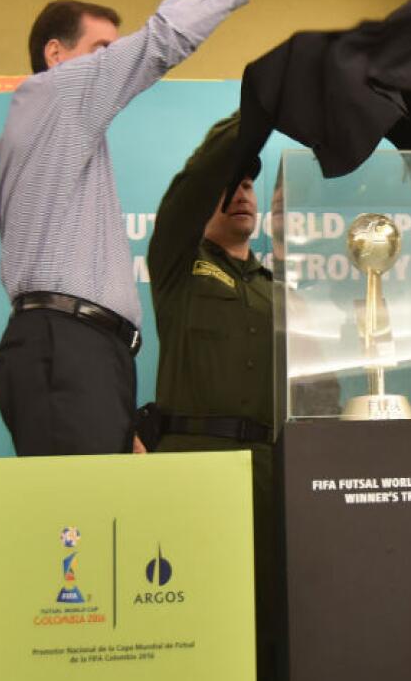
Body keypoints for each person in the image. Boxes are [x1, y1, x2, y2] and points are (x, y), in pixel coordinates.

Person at [0, 0, 311, 456]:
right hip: (66, 344)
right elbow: (163, 38)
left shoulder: (61, 139)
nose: (115, 63)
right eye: (102, 51)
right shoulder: (54, 96)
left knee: (99, 522)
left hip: (90, 353)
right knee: (78, 521)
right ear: (56, 55)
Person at [144, 114, 281, 679]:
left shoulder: (276, 289)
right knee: (195, 628)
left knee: (270, 628)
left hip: (271, 474)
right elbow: (196, 179)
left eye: (249, 184)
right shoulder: (179, 265)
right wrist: (257, 116)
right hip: (193, 465)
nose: (241, 194)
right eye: (229, 186)